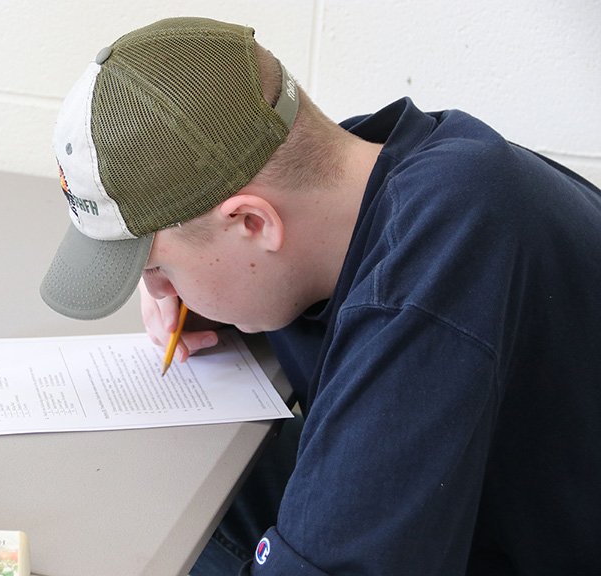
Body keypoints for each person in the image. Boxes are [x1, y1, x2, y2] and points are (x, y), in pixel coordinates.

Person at [40, 16, 601, 576]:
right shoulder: (361, 180)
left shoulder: (434, 269)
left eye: (156, 267)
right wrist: (201, 296)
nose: (156, 291)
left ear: (254, 224)